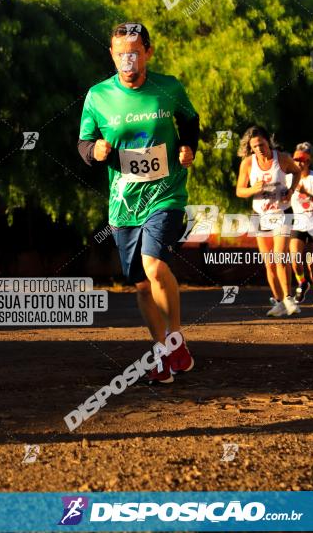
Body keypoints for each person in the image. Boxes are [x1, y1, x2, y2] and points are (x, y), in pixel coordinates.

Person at [78, 23, 199, 384]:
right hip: (124, 202)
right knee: (142, 285)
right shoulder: (97, 96)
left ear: (148, 51)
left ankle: (175, 338)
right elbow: (84, 143)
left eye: (134, 52)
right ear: (113, 56)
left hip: (166, 193)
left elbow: (190, 121)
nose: (127, 60)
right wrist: (95, 151)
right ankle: (161, 350)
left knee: (153, 263)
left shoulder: (169, 87)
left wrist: (188, 147)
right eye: (120, 53)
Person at [236, 126, 301, 316]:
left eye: (261, 145)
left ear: (268, 142)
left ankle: (289, 298)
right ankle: (279, 302)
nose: (259, 149)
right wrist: (252, 190)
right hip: (260, 215)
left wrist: (291, 190)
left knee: (280, 255)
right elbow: (240, 190)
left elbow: (296, 172)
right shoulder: (248, 164)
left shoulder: (281, 158)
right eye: (254, 147)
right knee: (269, 262)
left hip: (282, 212)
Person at [286, 142, 313, 306]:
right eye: (295, 158)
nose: (298, 162)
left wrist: (306, 193)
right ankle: (303, 283)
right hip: (298, 223)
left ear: (308, 161)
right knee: (295, 260)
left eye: (302, 159)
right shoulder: (290, 178)